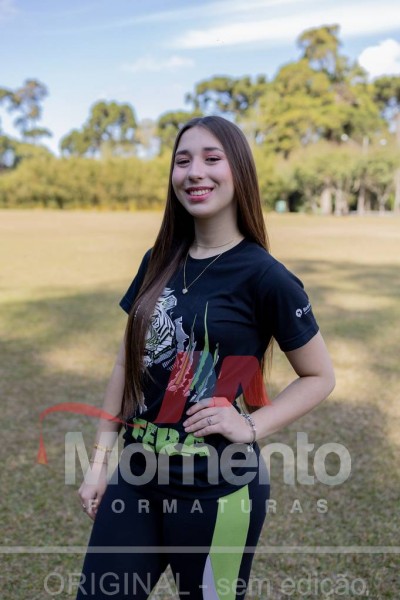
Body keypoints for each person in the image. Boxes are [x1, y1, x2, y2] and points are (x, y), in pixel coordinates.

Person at [76, 116, 335, 599]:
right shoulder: (157, 259)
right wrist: (99, 462)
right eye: (183, 161)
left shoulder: (266, 277)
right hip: (137, 477)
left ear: (239, 172)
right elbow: (126, 365)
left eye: (212, 159)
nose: (195, 171)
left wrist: (250, 426)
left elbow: (319, 375)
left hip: (219, 491)